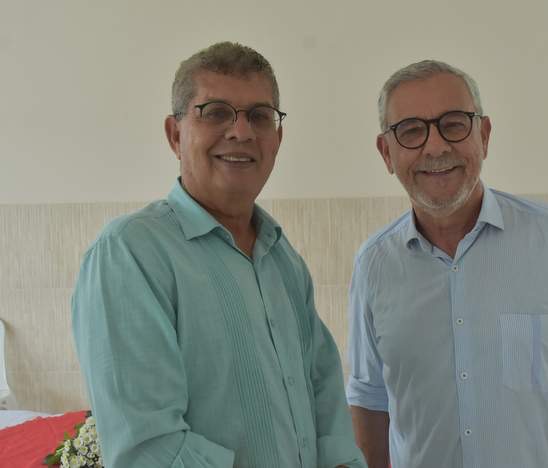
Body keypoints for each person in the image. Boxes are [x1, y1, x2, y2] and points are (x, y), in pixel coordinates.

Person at [72, 42, 365, 468]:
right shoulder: (130, 254)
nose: (241, 132)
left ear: (277, 139)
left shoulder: (283, 259)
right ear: (175, 135)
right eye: (215, 113)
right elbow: (149, 447)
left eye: (259, 116)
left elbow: (325, 403)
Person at [346, 60, 548, 468]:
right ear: (386, 152)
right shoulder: (374, 265)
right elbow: (369, 400)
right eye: (411, 131)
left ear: (483, 136)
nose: (435, 147)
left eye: (453, 124)